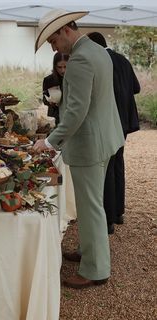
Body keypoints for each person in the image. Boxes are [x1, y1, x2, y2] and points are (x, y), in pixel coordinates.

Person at [33, 9, 125, 289]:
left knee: (91, 206)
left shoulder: (80, 59)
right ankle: (88, 251)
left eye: (52, 40)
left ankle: (95, 270)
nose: (53, 47)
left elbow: (75, 113)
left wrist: (49, 142)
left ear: (65, 30)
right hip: (105, 137)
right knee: (89, 204)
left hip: (90, 143)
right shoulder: (97, 50)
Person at [87, 32, 141, 234]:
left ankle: (107, 219)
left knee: (106, 168)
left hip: (107, 121)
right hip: (125, 121)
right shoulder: (123, 60)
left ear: (93, 47)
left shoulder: (98, 61)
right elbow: (136, 87)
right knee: (118, 163)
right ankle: (118, 212)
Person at [43, 52, 69, 126]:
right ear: (55, 66)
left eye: (65, 67)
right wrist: (50, 102)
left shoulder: (73, 79)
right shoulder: (49, 80)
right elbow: (44, 99)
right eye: (59, 67)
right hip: (54, 117)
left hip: (69, 115)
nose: (62, 70)